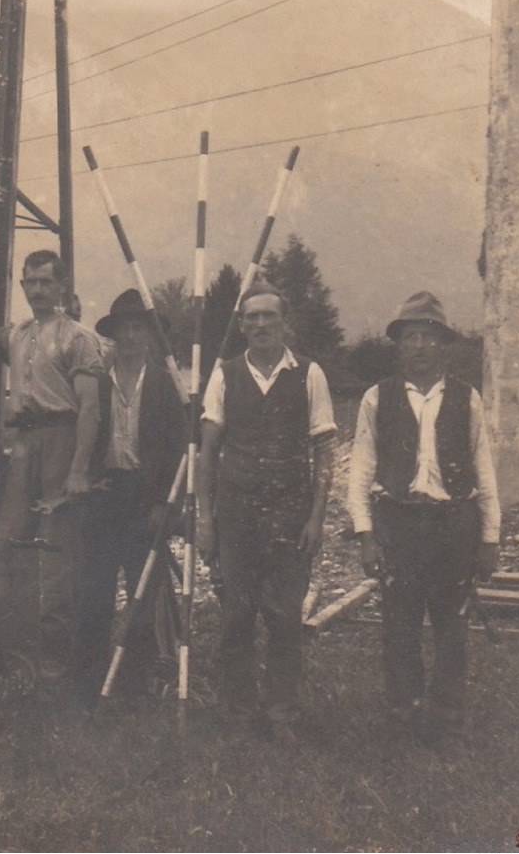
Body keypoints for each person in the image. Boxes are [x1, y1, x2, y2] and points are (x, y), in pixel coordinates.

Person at [346, 292, 500, 752]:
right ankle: (403, 716)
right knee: (400, 626)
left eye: (428, 337)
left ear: (442, 345)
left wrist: (489, 537)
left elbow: (484, 469)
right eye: (410, 336)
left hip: (454, 526)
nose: (419, 346)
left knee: (452, 628)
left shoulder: (466, 399)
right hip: (399, 527)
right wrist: (366, 535)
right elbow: (360, 471)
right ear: (398, 345)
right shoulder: (377, 398)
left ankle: (448, 722)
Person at [196, 281, 335, 743]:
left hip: (291, 517)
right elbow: (209, 451)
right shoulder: (225, 375)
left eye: (269, 316)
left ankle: (281, 713)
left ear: (284, 323)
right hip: (236, 515)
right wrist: (205, 518)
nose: (260, 325)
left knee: (284, 616)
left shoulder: (310, 374)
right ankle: (237, 712)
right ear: (241, 326)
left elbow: (324, 451)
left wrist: (316, 517)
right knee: (237, 615)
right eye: (251, 317)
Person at [0, 248, 103, 682]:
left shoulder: (77, 337)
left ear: (61, 286)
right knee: (8, 539)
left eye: (46, 282)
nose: (38, 290)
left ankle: (58, 656)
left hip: (62, 436)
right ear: (22, 286)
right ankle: (13, 643)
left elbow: (90, 408)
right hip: (24, 443)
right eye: (31, 282)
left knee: (58, 547)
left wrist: (79, 469)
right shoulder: (19, 333)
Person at [72, 290, 188, 708]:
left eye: (141, 328)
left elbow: (180, 450)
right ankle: (88, 682)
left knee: (142, 592)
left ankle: (133, 683)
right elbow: (82, 436)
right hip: (106, 495)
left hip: (146, 498)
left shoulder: (167, 385)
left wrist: (164, 504)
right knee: (95, 591)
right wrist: (88, 479)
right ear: (115, 335)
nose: (133, 336)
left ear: (152, 337)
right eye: (126, 328)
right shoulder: (98, 382)